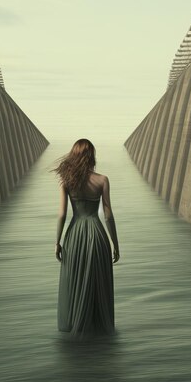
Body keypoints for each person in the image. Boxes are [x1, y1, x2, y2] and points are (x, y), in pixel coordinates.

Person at [54, 138, 120, 338]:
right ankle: (98, 324)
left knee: (75, 275)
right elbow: (108, 215)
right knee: (97, 278)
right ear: (92, 156)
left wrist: (57, 242)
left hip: (74, 234)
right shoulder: (102, 180)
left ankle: (75, 322)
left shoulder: (67, 181)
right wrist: (115, 244)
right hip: (97, 234)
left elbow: (62, 215)